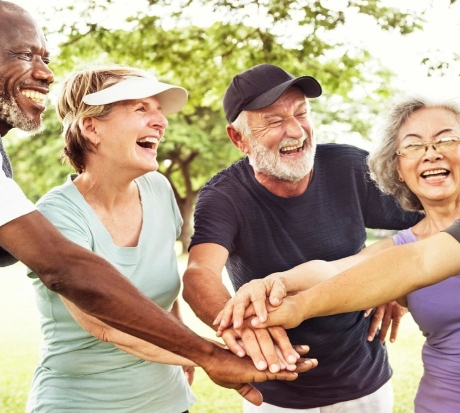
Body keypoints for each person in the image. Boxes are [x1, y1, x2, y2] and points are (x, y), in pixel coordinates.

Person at [0, 2, 314, 403]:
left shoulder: (158, 189)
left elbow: (160, 295)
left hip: (169, 398)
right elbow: (105, 326)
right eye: (140, 109)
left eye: (159, 110)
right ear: (91, 127)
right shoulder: (57, 215)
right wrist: (210, 355)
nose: (161, 121)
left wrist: (183, 349)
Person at [240, 18, 460, 394]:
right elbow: (407, 263)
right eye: (413, 145)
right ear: (398, 168)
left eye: (445, 139)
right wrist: (277, 289)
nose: (430, 154)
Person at [182, 63, 421, 412]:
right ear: (239, 139)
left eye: (301, 113)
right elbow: (199, 273)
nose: (295, 130)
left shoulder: (349, 166)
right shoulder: (223, 196)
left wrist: (396, 283)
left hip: (363, 383)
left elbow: (436, 216)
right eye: (274, 121)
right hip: (275, 391)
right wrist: (246, 329)